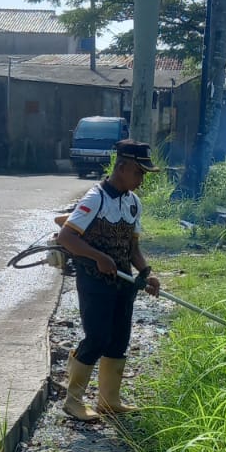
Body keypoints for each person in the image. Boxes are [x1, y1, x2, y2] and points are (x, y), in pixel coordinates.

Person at [56, 139, 161, 421]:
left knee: (119, 340)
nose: (141, 180)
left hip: (124, 282)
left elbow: (133, 248)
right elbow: (66, 237)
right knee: (97, 338)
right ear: (122, 167)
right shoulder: (95, 199)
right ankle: (73, 400)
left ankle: (109, 400)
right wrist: (98, 257)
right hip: (95, 282)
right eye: (138, 173)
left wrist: (146, 273)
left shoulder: (133, 203)